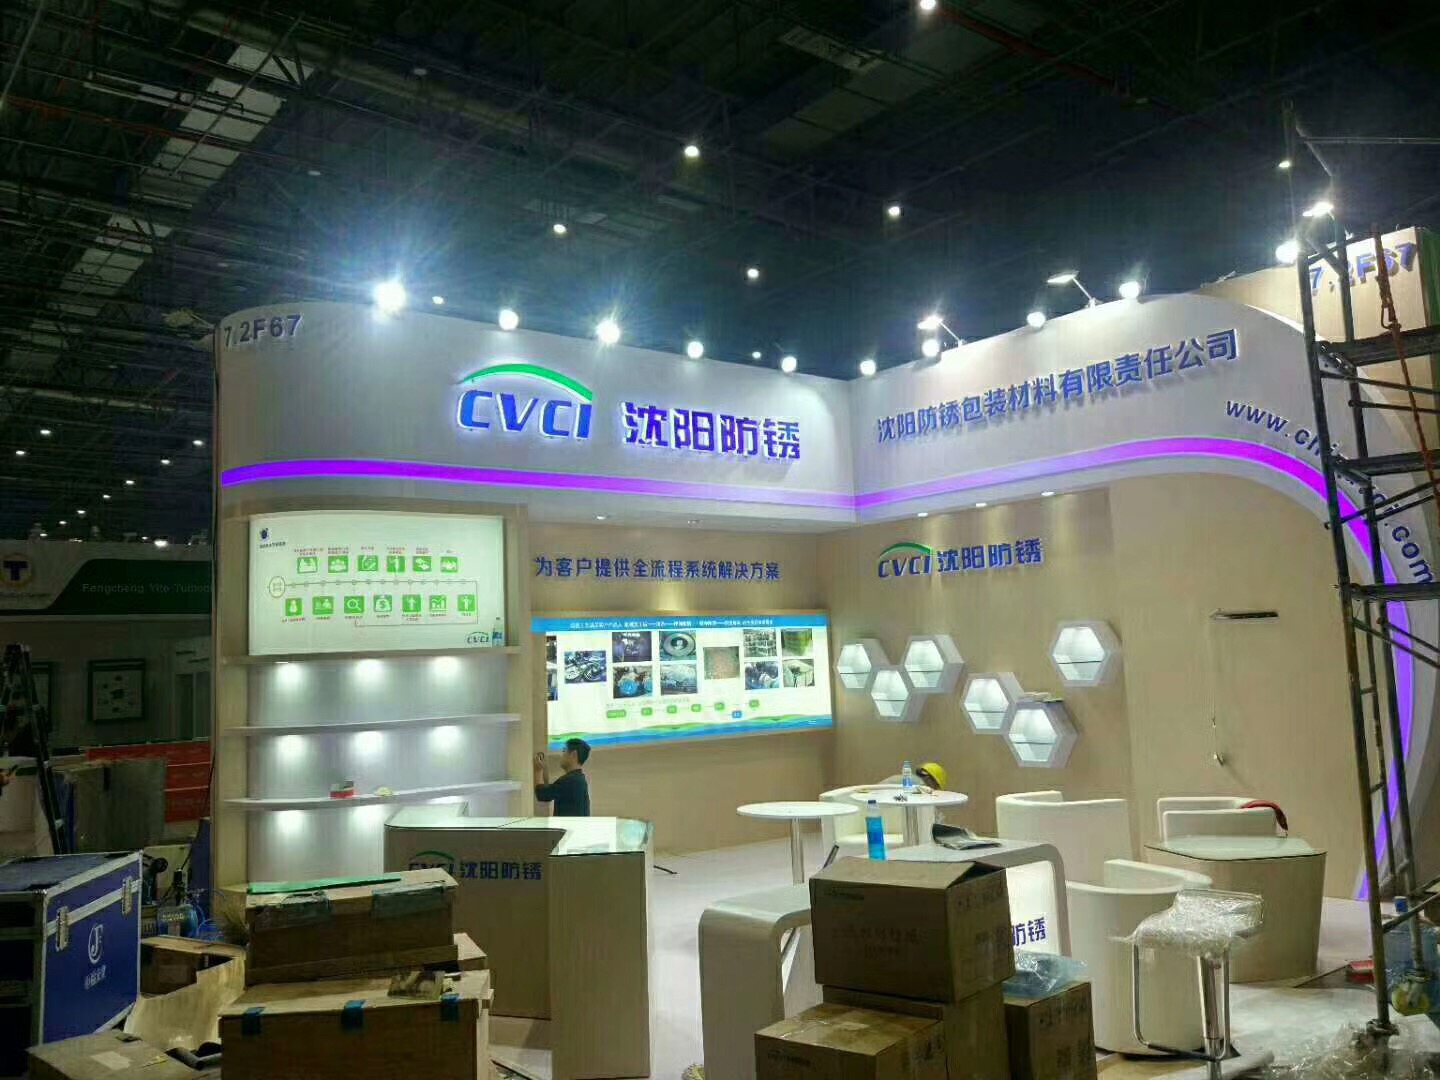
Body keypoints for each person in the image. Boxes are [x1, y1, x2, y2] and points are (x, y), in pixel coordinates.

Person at [534, 738, 591, 817]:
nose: (561, 755)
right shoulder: (579, 779)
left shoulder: (570, 780)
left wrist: (538, 770)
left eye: (564, 751)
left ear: (574, 754)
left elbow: (541, 794)